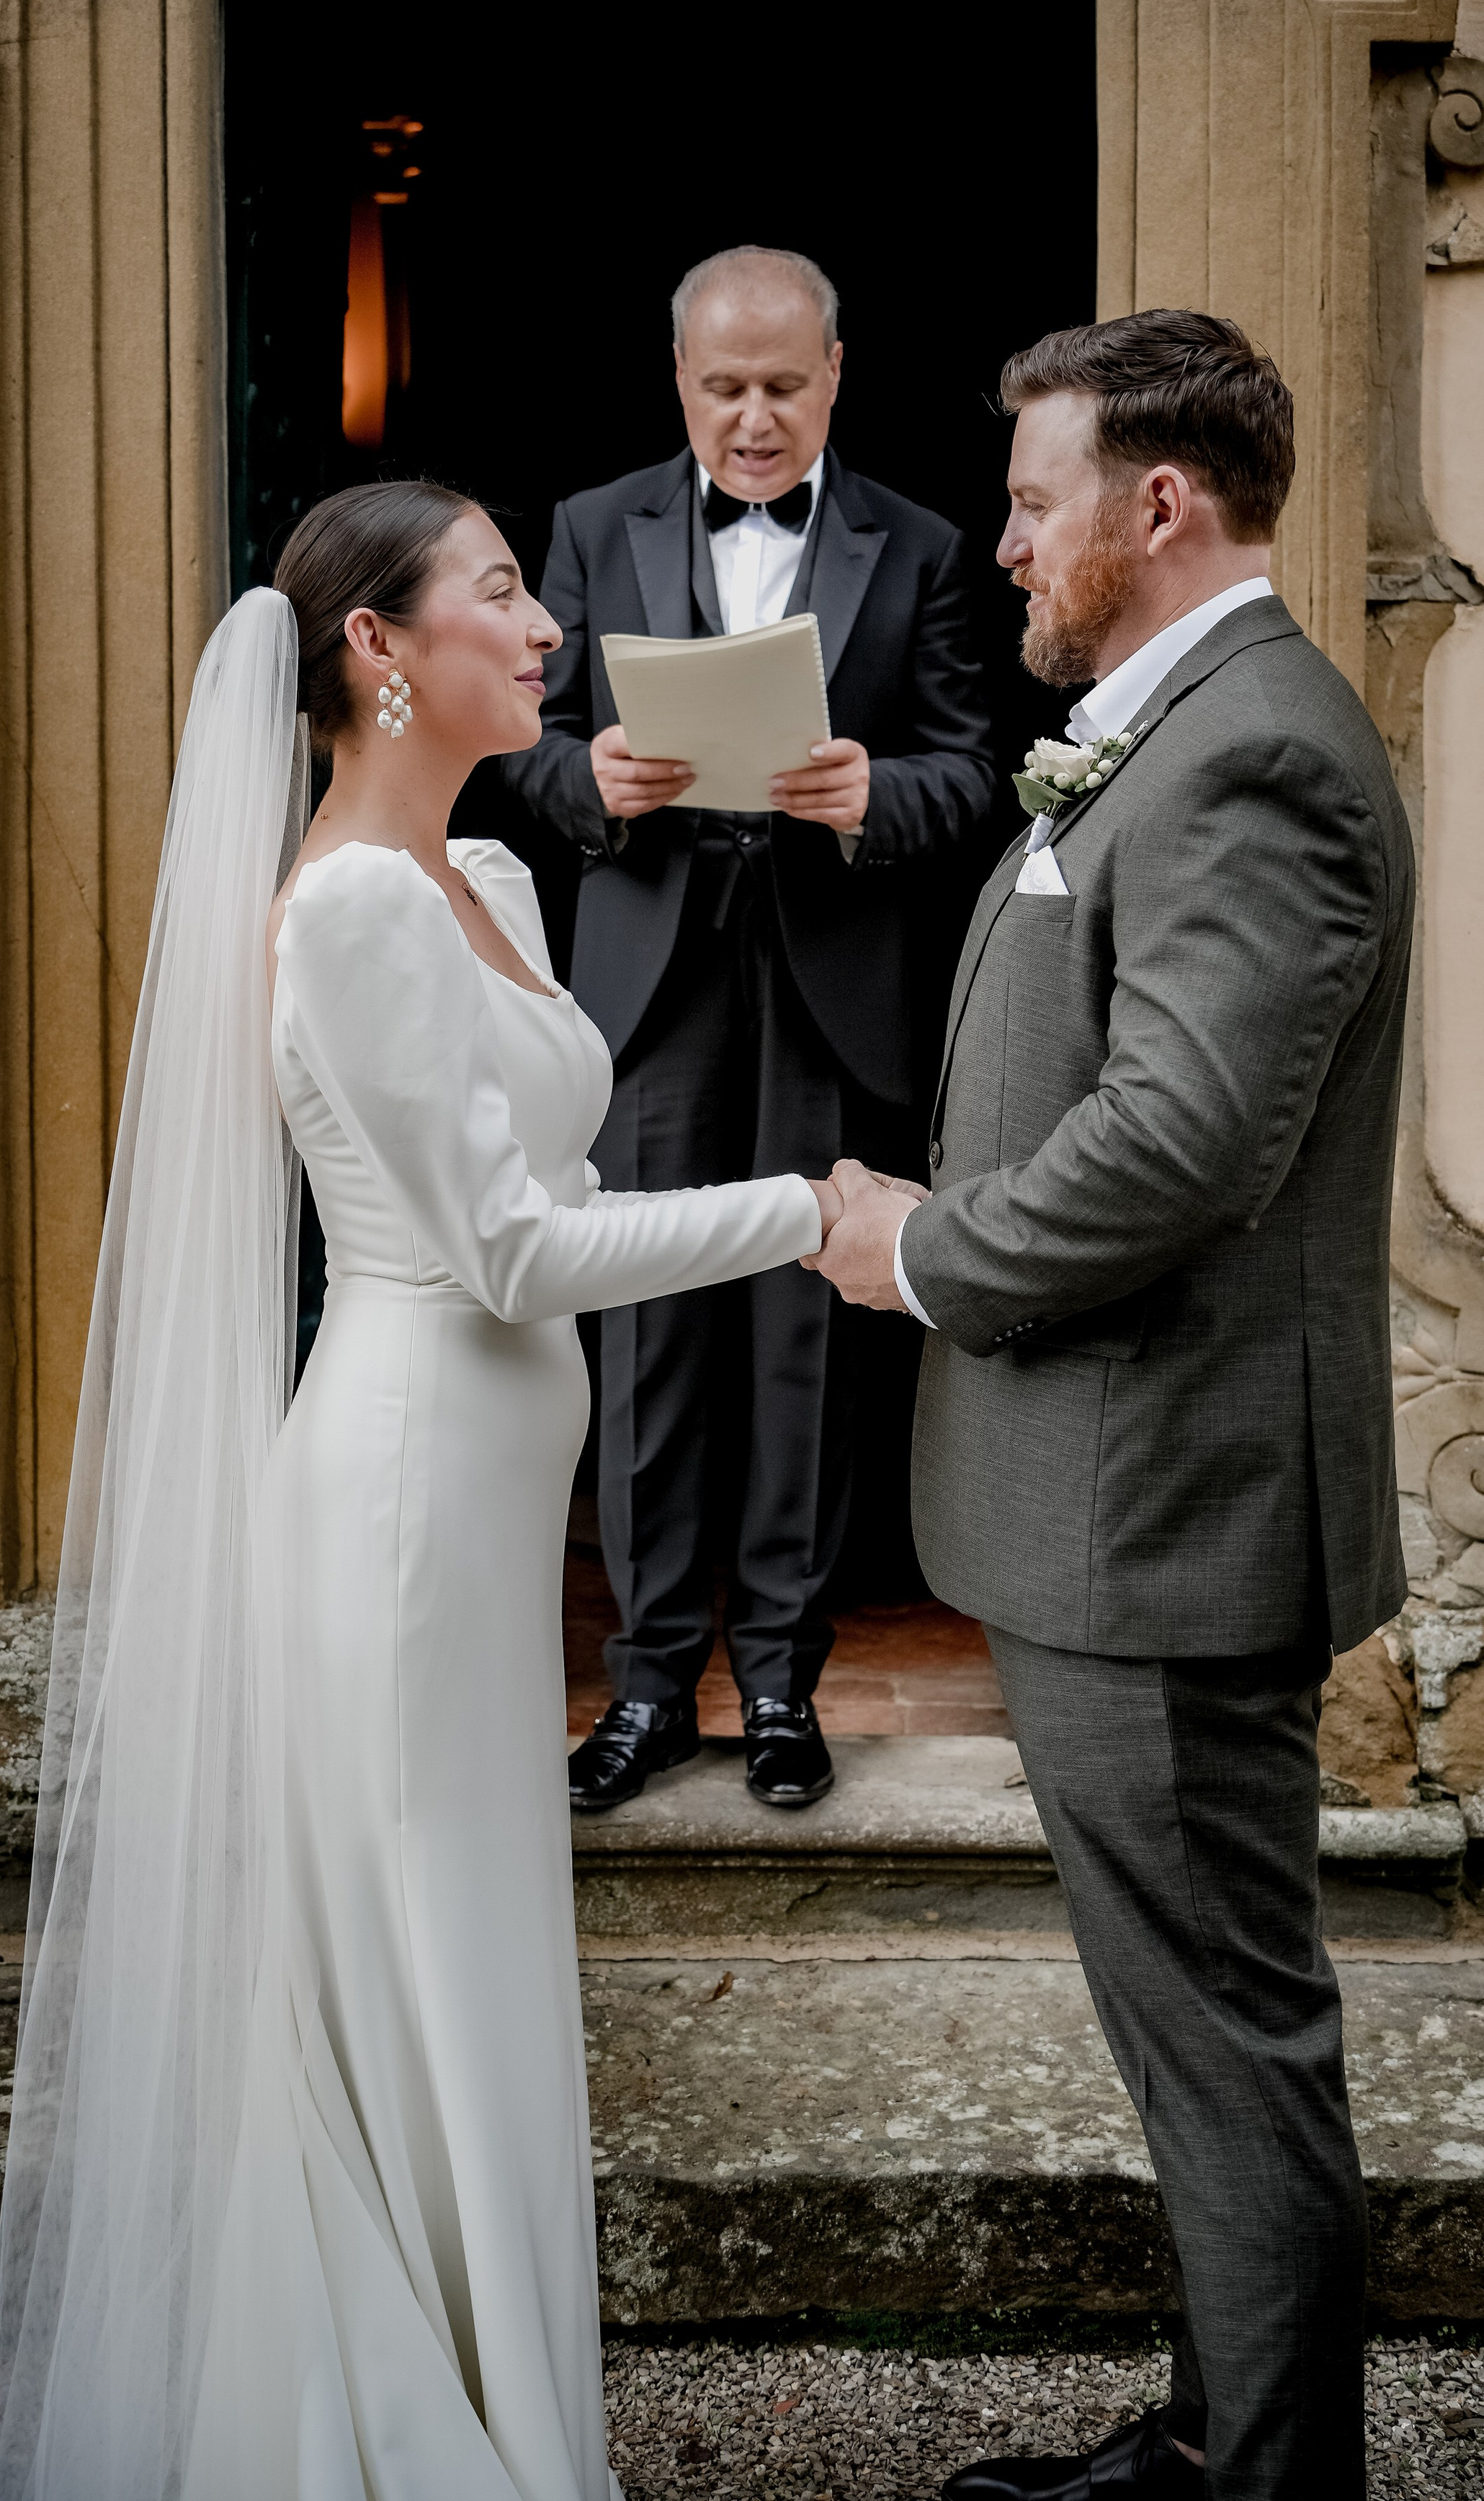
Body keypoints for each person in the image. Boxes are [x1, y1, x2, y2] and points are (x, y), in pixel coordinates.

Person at [0, 481, 842, 2501]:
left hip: (479, 1505)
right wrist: (809, 1212)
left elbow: (566, 1183)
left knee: (470, 1953)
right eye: (502, 592)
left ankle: (487, 2395)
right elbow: (510, 1254)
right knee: (420, 1957)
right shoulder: (357, 908)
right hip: (396, 1505)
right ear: (376, 646)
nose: (547, 630)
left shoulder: (493, 881)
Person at [810, 311, 1414, 2500]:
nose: (999, 547)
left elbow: (1180, 1143)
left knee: (1227, 2040)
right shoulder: (1175, 729)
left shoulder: (1255, 754)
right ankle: (1215, 2439)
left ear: (1157, 505)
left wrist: (925, 1250)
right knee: (1194, 2032)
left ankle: (1266, 2483)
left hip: (1167, 1512)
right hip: (1119, 1504)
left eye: (1029, 501)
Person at [501, 245, 996, 1812]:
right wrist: (588, 782)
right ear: (679, 381)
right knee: (647, 1331)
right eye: (725, 389)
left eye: (784, 386)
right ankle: (647, 1685)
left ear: (836, 375)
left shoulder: (921, 545)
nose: (755, 419)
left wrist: (872, 797)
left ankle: (782, 1680)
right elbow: (522, 744)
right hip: (649, 989)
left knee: (806, 1337)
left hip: (829, 985)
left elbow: (972, 768)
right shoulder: (593, 527)